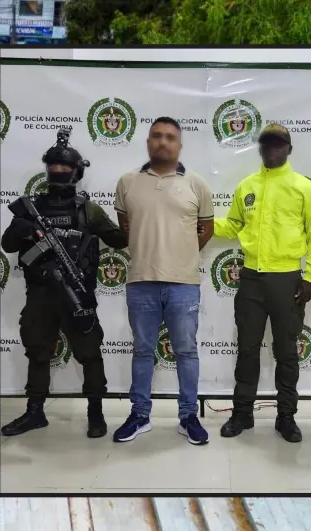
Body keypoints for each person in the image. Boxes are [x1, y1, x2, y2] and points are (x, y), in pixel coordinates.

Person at [0, 129, 128, 439]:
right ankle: (35, 412)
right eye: (53, 168)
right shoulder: (32, 207)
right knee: (38, 352)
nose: (58, 173)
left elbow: (120, 239)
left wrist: (135, 212)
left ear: (76, 173)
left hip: (77, 295)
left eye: (64, 169)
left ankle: (95, 411)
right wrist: (23, 228)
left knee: (90, 354)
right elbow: (7, 244)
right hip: (41, 295)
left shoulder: (88, 210)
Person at [209, 123, 311, 443]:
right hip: (251, 279)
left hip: (288, 280)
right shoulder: (247, 186)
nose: (272, 149)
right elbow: (232, 224)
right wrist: (203, 222)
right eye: (267, 144)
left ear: (289, 149)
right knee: (247, 349)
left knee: (286, 352)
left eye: (279, 144)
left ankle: (286, 416)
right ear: (260, 148)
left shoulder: (306, 188)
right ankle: (242, 414)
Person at [112, 117, 215, 446]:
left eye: (170, 137)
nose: (163, 142)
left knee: (186, 351)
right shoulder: (127, 182)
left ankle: (188, 416)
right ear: (147, 142)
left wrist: (180, 254)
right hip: (141, 280)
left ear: (180, 145)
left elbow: (206, 229)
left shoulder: (197, 184)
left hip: (183, 284)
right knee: (143, 351)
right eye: (156, 136)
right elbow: (125, 224)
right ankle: (140, 415)